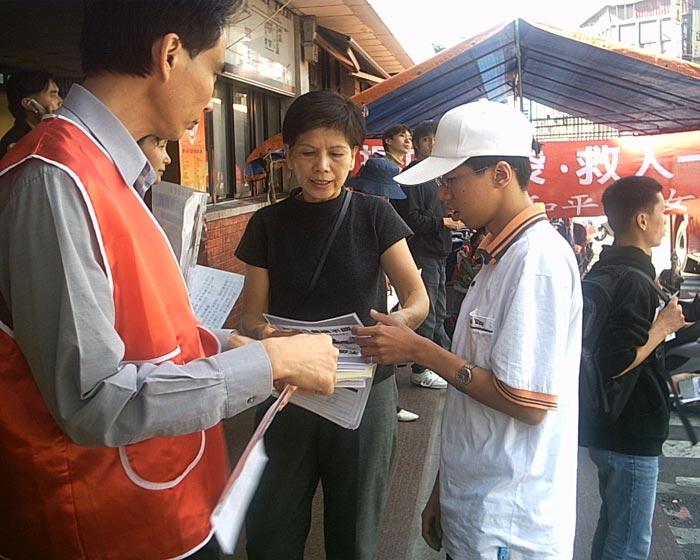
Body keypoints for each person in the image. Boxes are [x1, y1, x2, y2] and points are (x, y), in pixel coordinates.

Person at [0, 2, 338, 559]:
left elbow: (148, 333)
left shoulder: (108, 172)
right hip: (106, 528)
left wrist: (233, 345)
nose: (211, 96)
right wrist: (267, 364)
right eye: (215, 70)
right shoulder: (57, 180)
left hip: (166, 503)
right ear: (171, 54)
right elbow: (92, 400)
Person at [353, 99, 583, 559]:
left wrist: (420, 350)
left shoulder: (535, 261)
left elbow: (526, 402)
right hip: (476, 506)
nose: (443, 195)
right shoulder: (501, 254)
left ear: (501, 174)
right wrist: (444, 489)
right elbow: (473, 395)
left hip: (509, 526)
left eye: (451, 180)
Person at [235, 90, 429, 560]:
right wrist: (268, 335)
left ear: (355, 156)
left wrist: (397, 324)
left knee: (355, 532)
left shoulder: (375, 215)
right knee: (272, 528)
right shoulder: (266, 223)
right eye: (308, 152)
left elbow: (417, 298)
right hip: (286, 392)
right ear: (288, 156)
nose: (322, 167)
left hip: (364, 391)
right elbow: (250, 315)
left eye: (336, 154)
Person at [579, 176, 688, 560]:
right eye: (660, 212)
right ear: (641, 219)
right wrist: (662, 327)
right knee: (629, 545)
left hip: (606, 423)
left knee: (613, 530)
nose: (664, 221)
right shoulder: (636, 280)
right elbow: (618, 359)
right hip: (631, 428)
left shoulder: (605, 269)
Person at [346, 157, 420, 423]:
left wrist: (405, 316)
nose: (384, 201)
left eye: (387, 197)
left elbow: (416, 294)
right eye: (380, 195)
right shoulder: (353, 213)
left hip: (374, 317)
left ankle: (393, 405)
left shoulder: (381, 215)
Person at [393, 119, 464, 390]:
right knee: (427, 312)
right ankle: (420, 370)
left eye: (437, 139)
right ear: (418, 144)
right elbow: (409, 219)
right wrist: (442, 222)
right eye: (427, 139)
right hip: (422, 253)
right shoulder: (413, 177)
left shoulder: (438, 175)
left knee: (440, 310)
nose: (433, 144)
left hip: (439, 251)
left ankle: (441, 362)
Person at [0, 70, 62, 159]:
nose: (60, 101)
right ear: (27, 103)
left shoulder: (50, 133)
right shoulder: (15, 143)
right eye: (52, 95)